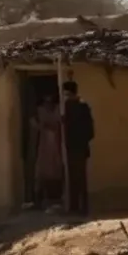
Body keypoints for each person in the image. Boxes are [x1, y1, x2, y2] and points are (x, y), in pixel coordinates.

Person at [62, 81, 95, 215]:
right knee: (75, 177)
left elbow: (89, 129)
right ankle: (76, 207)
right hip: (75, 147)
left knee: (78, 178)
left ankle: (81, 207)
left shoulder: (79, 106)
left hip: (77, 146)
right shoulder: (74, 106)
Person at [31, 93, 65, 208]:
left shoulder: (58, 111)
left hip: (55, 148)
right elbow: (35, 125)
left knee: (55, 172)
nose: (48, 105)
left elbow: (58, 125)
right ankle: (40, 199)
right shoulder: (40, 112)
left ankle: (55, 198)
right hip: (43, 147)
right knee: (42, 173)